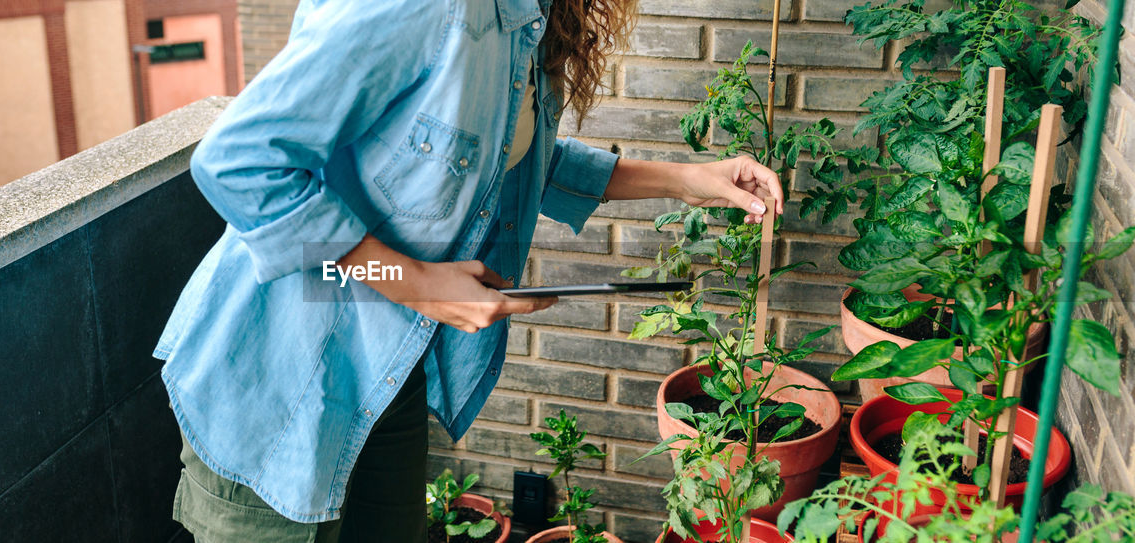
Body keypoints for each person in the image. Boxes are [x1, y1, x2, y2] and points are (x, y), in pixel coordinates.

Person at [153, 0, 783, 541]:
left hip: (383, 383)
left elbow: (524, 155)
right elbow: (239, 161)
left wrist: (689, 180)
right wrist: (419, 285)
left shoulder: (528, 20)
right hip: (275, 380)